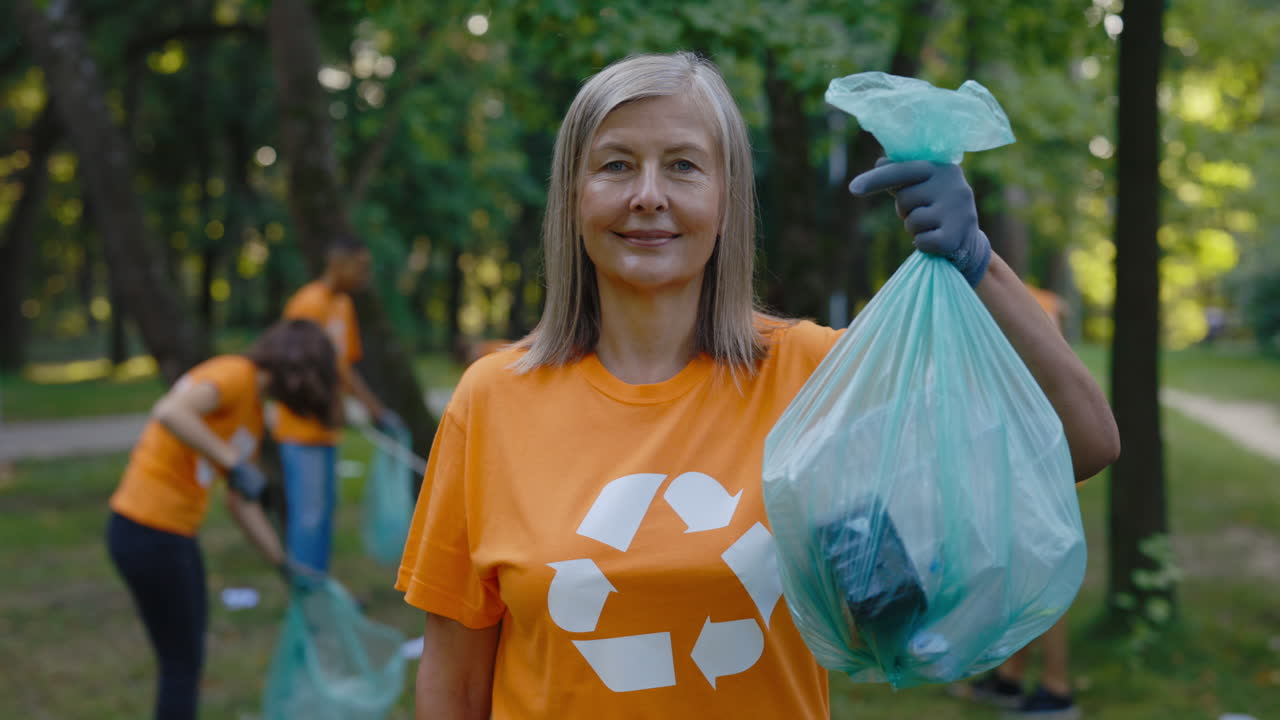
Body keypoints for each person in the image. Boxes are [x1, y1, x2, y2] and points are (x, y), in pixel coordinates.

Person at [395, 52, 1120, 719]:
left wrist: (977, 261)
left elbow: (1082, 441)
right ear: (572, 196)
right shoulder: (493, 399)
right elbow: (455, 682)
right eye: (616, 166)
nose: (648, 195)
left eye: (683, 166)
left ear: (727, 198)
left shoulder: (816, 378)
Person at [106, 319, 339, 720]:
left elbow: (240, 500)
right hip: (147, 528)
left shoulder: (250, 412)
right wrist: (233, 463)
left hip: (171, 534)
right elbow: (171, 411)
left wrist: (283, 564)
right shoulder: (235, 374)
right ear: (298, 368)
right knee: (182, 665)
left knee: (184, 661)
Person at [953, 282, 1079, 719]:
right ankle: (1010, 677)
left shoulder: (1013, 300)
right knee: (1013, 575)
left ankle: (1057, 689)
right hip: (1020, 456)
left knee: (1039, 575)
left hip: (1033, 461)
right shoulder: (1033, 298)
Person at [274, 232, 403, 573]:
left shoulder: (343, 306)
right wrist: (330, 408)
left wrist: (376, 411)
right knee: (308, 518)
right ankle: (307, 598)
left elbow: (342, 368)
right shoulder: (307, 304)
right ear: (337, 263)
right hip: (301, 431)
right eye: (360, 267)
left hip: (327, 432)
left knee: (324, 516)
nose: (365, 276)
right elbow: (292, 372)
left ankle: (321, 590)